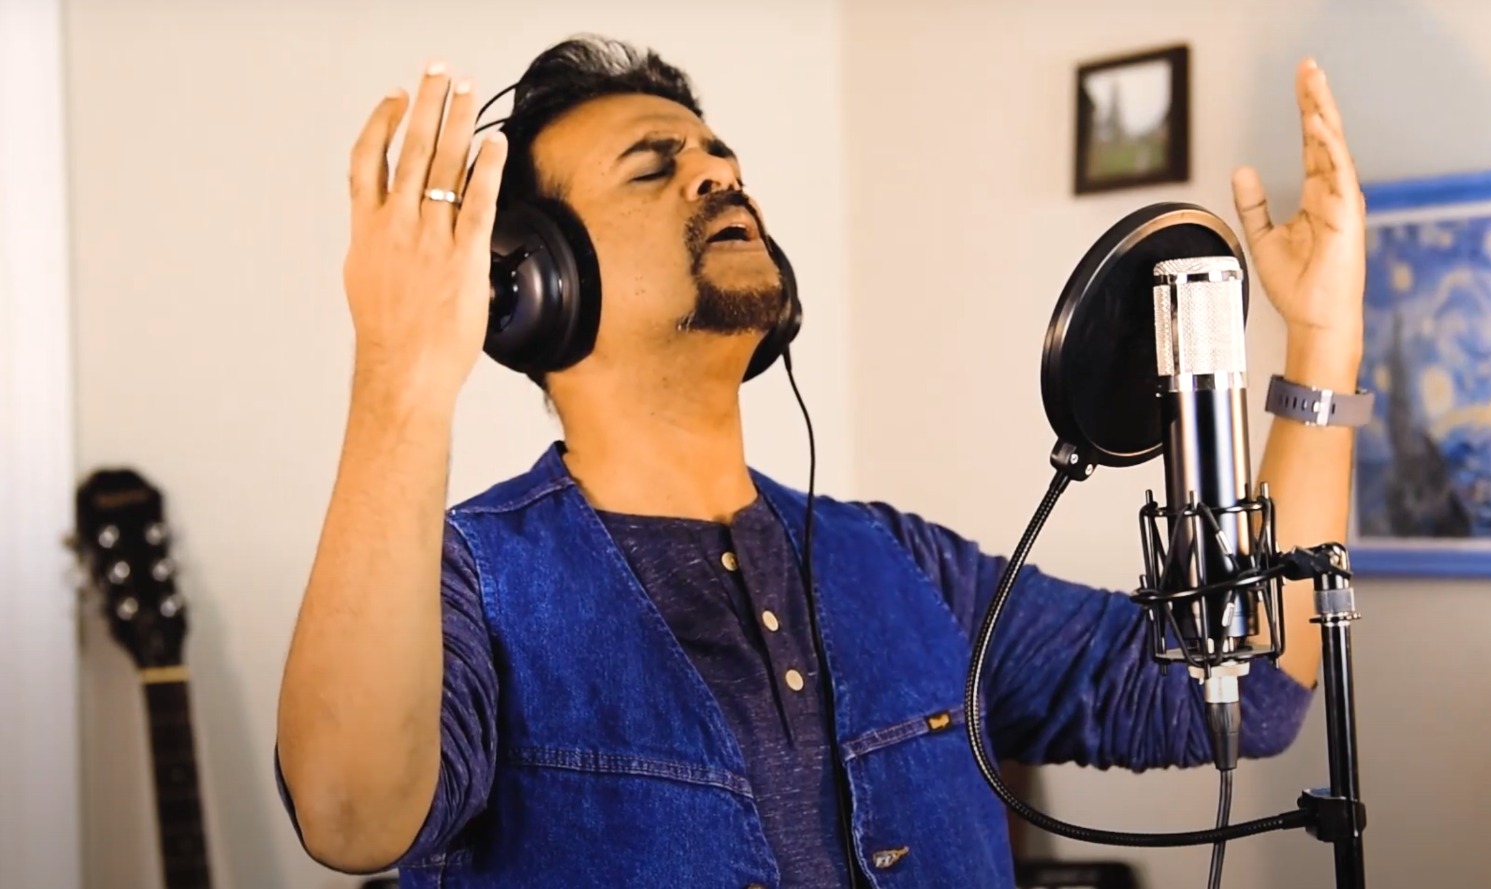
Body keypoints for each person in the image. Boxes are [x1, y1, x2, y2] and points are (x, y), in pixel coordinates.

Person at [274, 35, 1368, 889]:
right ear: (536, 284)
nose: (718, 175)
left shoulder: (904, 565)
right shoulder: (469, 581)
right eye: (653, 168)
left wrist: (1322, 340)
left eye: (723, 160)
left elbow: (1253, 690)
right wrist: (399, 374)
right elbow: (351, 816)